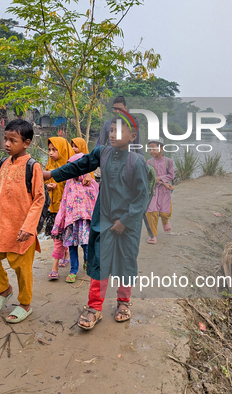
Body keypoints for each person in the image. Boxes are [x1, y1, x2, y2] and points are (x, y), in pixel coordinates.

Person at [43, 116, 149, 331]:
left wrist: (125, 221)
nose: (111, 135)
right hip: (104, 219)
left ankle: (123, 303)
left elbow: (142, 198)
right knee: (99, 260)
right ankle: (94, 307)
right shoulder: (102, 153)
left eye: (117, 132)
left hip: (128, 224)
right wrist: (51, 174)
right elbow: (78, 167)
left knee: (126, 262)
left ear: (132, 137)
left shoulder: (137, 163)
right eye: (110, 131)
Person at [0, 119, 45, 323]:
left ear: (26, 143)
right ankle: (4, 290)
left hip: (21, 230)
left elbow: (39, 199)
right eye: (5, 139)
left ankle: (25, 304)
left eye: (12, 140)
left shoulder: (34, 167)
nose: (6, 144)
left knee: (23, 269)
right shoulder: (1, 163)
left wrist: (28, 227)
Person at [50, 152, 99, 282]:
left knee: (87, 245)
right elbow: (64, 202)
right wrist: (59, 221)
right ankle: (73, 271)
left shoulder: (91, 183)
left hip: (85, 221)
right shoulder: (69, 183)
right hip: (71, 222)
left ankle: (87, 262)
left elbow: (96, 201)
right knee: (72, 247)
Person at [45, 137, 74, 277]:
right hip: (52, 207)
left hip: (66, 209)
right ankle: (66, 252)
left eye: (54, 150)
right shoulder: (49, 165)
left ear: (62, 150)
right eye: (49, 150)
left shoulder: (70, 167)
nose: (50, 153)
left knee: (59, 237)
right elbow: (41, 181)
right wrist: (47, 186)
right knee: (55, 235)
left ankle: (55, 266)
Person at [145, 139, 174, 244]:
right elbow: (149, 177)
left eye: (153, 148)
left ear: (161, 148)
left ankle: (165, 220)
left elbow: (171, 175)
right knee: (151, 211)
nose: (151, 151)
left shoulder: (168, 161)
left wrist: (161, 180)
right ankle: (152, 235)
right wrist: (160, 181)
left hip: (165, 191)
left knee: (165, 212)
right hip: (153, 190)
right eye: (149, 149)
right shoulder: (149, 162)